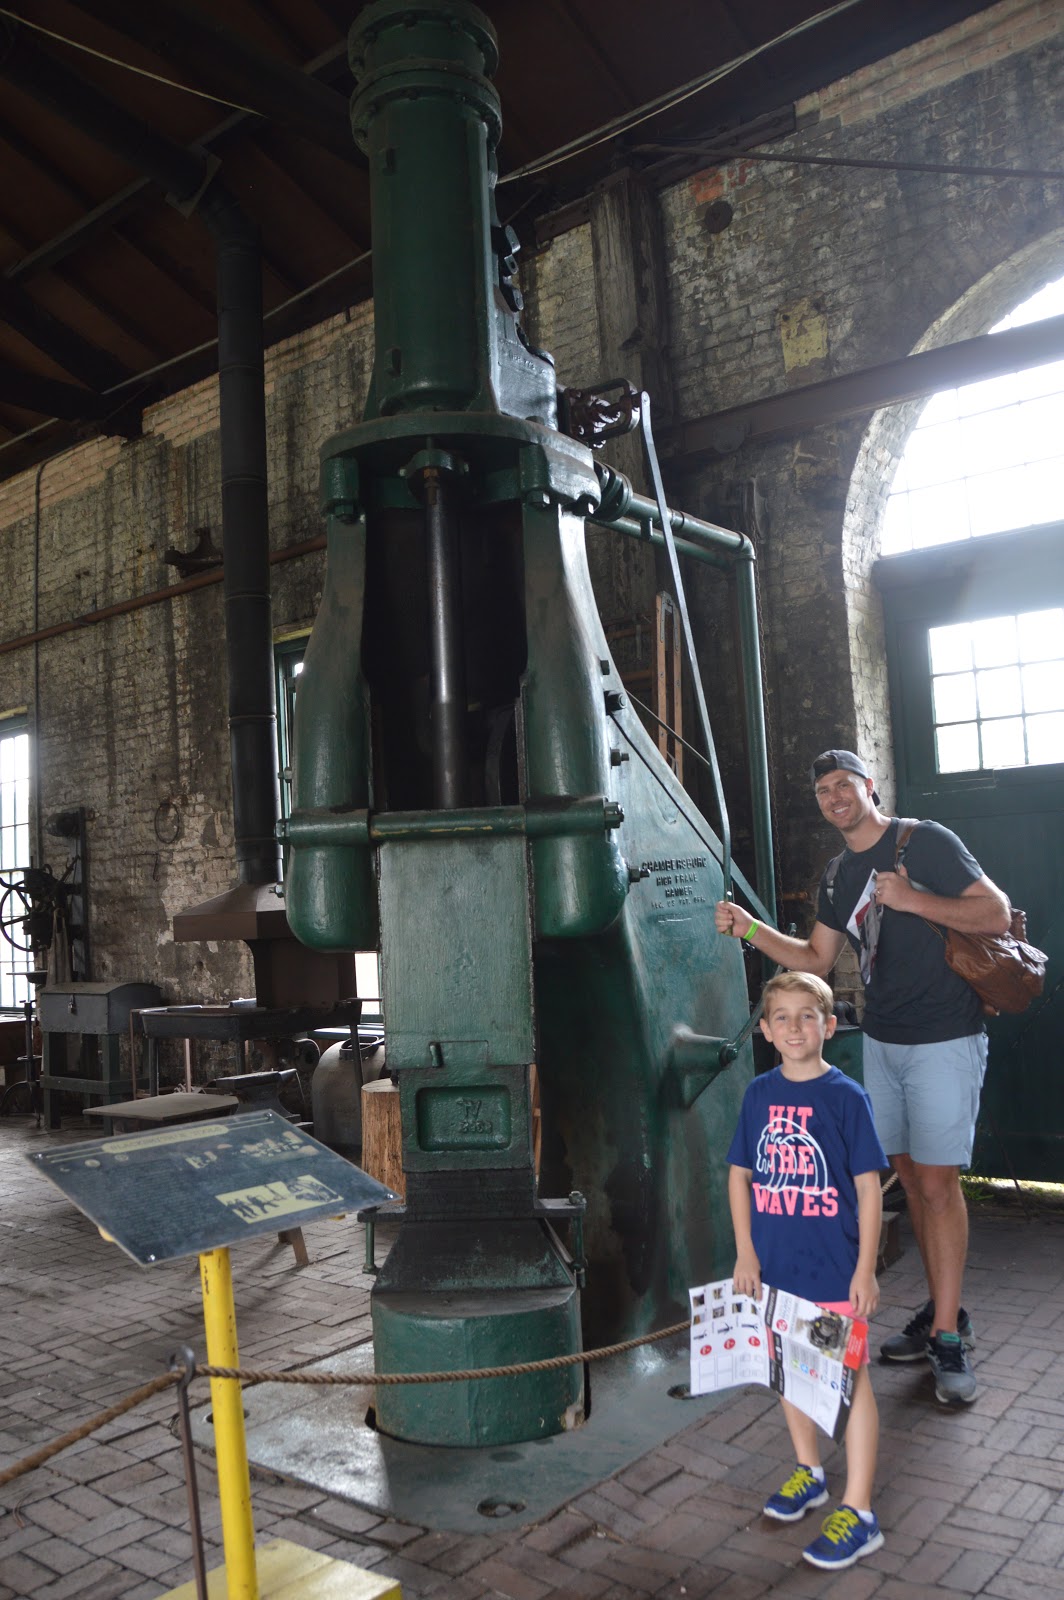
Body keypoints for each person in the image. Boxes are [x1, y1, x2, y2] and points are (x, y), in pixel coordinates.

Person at [715, 749, 1010, 1405]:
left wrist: (913, 898)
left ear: (869, 786)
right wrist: (750, 929)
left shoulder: (924, 842)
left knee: (937, 1183)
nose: (834, 796)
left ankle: (949, 1337)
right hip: (885, 1040)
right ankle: (943, 1311)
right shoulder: (840, 873)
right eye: (824, 790)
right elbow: (816, 958)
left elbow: (994, 912)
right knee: (909, 1176)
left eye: (844, 784)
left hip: (945, 1036)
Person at [728, 970, 887, 1570]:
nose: (795, 1027)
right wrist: (746, 1251)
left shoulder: (846, 1098)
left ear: (830, 1026)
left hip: (832, 1274)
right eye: (782, 1018)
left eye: (807, 1016)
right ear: (767, 1032)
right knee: (790, 1373)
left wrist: (865, 1270)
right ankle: (809, 1472)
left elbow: (868, 1189)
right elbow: (739, 1176)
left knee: (849, 1383)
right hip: (777, 1272)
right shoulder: (758, 1095)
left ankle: (860, 1512)